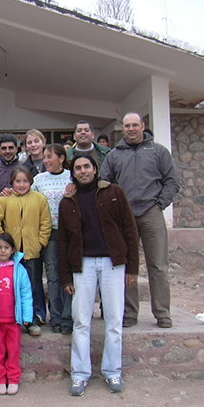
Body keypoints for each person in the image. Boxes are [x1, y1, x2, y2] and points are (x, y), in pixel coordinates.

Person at [58, 155, 139, 396]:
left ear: (95, 169)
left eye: (87, 166)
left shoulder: (114, 193)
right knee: (81, 321)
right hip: (82, 265)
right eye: (78, 168)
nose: (83, 171)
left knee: (114, 320)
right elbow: (63, 241)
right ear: (73, 173)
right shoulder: (68, 201)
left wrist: (132, 267)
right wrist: (66, 277)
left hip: (112, 263)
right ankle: (80, 375)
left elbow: (130, 229)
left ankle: (113, 372)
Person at [100, 112, 180, 329]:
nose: (131, 129)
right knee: (127, 265)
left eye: (135, 125)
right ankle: (129, 313)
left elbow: (172, 181)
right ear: (123, 129)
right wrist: (114, 207)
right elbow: (104, 182)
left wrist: (160, 204)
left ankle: (162, 313)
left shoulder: (158, 151)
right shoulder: (114, 155)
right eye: (127, 126)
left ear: (143, 126)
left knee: (158, 265)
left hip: (151, 212)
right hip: (124, 216)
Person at [0, 166, 52, 336]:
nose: (21, 185)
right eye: (18, 181)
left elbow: (46, 223)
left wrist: (40, 242)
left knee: (33, 283)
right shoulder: (5, 200)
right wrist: (3, 244)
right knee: (13, 284)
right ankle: (13, 316)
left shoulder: (39, 199)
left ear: (31, 182)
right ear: (12, 183)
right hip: (12, 253)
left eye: (25, 181)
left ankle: (34, 318)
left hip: (32, 250)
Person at [0, 233, 33, 396]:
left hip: (13, 320)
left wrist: (27, 316)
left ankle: (13, 378)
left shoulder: (20, 270)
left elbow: (26, 293)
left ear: (12, 250)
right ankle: (0, 379)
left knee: (13, 351)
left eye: (6, 247)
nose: (3, 251)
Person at [32, 144, 73, 334]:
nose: (46, 160)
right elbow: (27, 197)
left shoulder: (72, 176)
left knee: (69, 277)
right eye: (45, 157)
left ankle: (68, 317)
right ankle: (55, 317)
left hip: (70, 234)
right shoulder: (39, 179)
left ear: (61, 158)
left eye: (50, 157)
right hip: (49, 234)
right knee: (53, 277)